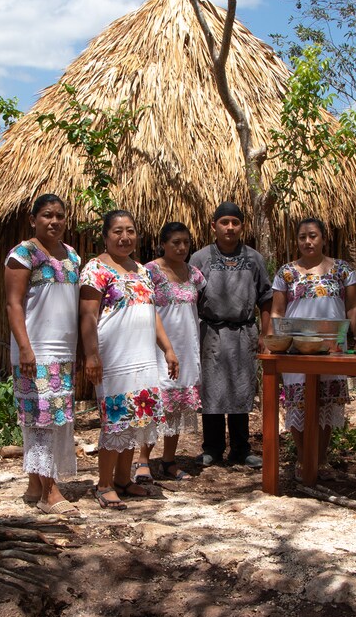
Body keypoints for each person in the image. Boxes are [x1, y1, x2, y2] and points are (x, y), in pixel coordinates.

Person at [80, 210, 180, 509]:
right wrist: (91, 355)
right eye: (117, 232)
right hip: (114, 358)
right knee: (116, 419)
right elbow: (87, 315)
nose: (125, 237)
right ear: (106, 236)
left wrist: (168, 349)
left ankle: (124, 479)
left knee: (137, 418)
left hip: (143, 357)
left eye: (130, 231)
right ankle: (104, 483)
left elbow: (151, 313)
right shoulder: (95, 269)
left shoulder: (141, 270)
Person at [5, 193, 82, 515]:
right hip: (36, 350)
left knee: (57, 418)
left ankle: (35, 485)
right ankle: (49, 492)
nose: (54, 221)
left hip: (64, 350)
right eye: (47, 215)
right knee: (41, 419)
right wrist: (25, 347)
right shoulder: (23, 254)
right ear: (33, 219)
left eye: (60, 216)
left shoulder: (73, 256)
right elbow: (13, 304)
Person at [271, 217, 356, 475]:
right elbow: (277, 311)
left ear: (323, 238)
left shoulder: (343, 270)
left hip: (334, 346)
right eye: (302, 237)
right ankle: (303, 460)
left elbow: (353, 306)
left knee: (327, 402)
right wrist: (274, 343)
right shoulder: (286, 273)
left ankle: (321, 461)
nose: (308, 241)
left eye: (313, 236)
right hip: (296, 348)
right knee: (298, 401)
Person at [191, 202, 273, 468]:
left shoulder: (254, 259)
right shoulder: (200, 258)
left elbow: (266, 297)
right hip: (211, 332)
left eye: (235, 223)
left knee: (241, 389)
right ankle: (212, 448)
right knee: (212, 391)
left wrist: (265, 333)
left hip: (243, 332)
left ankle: (241, 448)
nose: (229, 227)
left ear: (242, 226)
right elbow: (189, 298)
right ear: (214, 225)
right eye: (224, 222)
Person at [137, 222, 206, 481]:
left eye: (186, 242)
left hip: (187, 347)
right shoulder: (149, 272)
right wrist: (164, 347)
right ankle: (143, 461)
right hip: (156, 347)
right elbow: (145, 309)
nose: (181, 247)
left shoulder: (194, 274)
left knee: (176, 406)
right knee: (155, 403)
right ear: (163, 244)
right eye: (175, 242)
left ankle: (168, 461)